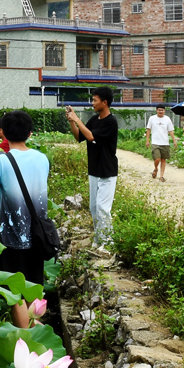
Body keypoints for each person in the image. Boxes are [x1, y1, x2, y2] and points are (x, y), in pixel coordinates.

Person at [0, 111, 49, 328]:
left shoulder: (1, 162)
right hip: (38, 234)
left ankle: (25, 336)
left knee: (15, 292)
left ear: (4, 134)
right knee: (34, 287)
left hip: (11, 237)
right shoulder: (42, 159)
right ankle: (36, 335)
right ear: (30, 133)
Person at [65, 86, 118, 250]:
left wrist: (77, 119)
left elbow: (91, 136)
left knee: (103, 208)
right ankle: (99, 238)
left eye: (95, 100)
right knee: (94, 207)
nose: (92, 103)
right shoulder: (94, 120)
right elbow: (79, 137)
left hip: (107, 171)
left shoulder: (111, 122)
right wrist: (72, 121)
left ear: (105, 102)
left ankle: (107, 242)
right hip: (94, 169)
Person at [145, 104, 178, 182]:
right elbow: (148, 130)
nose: (160, 111)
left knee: (163, 160)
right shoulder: (152, 118)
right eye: (159, 110)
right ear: (156, 110)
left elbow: (170, 131)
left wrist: (174, 140)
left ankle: (161, 176)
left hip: (165, 142)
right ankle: (156, 168)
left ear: (164, 111)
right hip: (155, 142)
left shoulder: (167, 119)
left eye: (162, 110)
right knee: (157, 159)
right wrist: (147, 140)